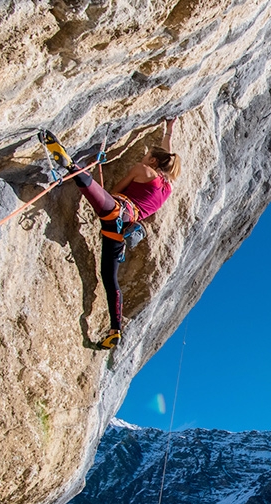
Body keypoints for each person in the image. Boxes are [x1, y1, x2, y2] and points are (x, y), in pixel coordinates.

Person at [41, 118, 181, 349]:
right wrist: (169, 130)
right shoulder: (168, 187)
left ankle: (70, 165)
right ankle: (115, 329)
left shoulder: (142, 170)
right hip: (122, 231)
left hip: (118, 210)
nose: (143, 158)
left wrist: (169, 131)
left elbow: (115, 191)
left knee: (98, 193)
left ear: (153, 161)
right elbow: (167, 155)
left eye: (147, 157)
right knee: (109, 277)